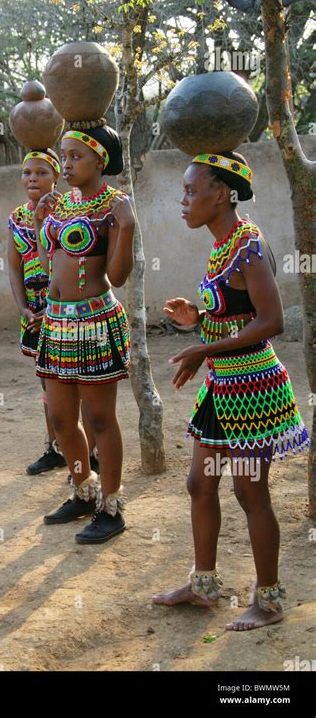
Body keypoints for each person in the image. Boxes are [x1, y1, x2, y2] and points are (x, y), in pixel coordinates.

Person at [152, 151, 310, 629]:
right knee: (200, 482)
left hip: (253, 390)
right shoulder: (225, 246)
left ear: (221, 194)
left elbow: (271, 321)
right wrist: (197, 321)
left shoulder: (248, 245)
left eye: (191, 191)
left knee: (249, 491)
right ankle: (203, 586)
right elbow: (238, 311)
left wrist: (204, 348)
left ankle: (269, 601)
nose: (184, 201)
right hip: (225, 385)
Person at [33, 119, 135, 544]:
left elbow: (118, 275)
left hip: (94, 321)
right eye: (65, 155)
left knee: (98, 417)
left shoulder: (115, 206)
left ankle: (111, 506)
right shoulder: (63, 204)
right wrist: (43, 222)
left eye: (76, 156)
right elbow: (44, 266)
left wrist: (126, 228)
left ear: (100, 159)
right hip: (57, 320)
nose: (67, 163)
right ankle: (83, 489)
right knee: (59, 418)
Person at [8, 149, 99, 477]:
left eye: (42, 172)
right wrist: (22, 309)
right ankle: (57, 447)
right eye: (27, 172)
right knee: (49, 385)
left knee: (80, 383)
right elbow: (14, 267)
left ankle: (91, 451)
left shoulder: (69, 210)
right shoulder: (17, 217)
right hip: (33, 314)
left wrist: (53, 307)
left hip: (66, 309)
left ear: (56, 176)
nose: (33, 178)